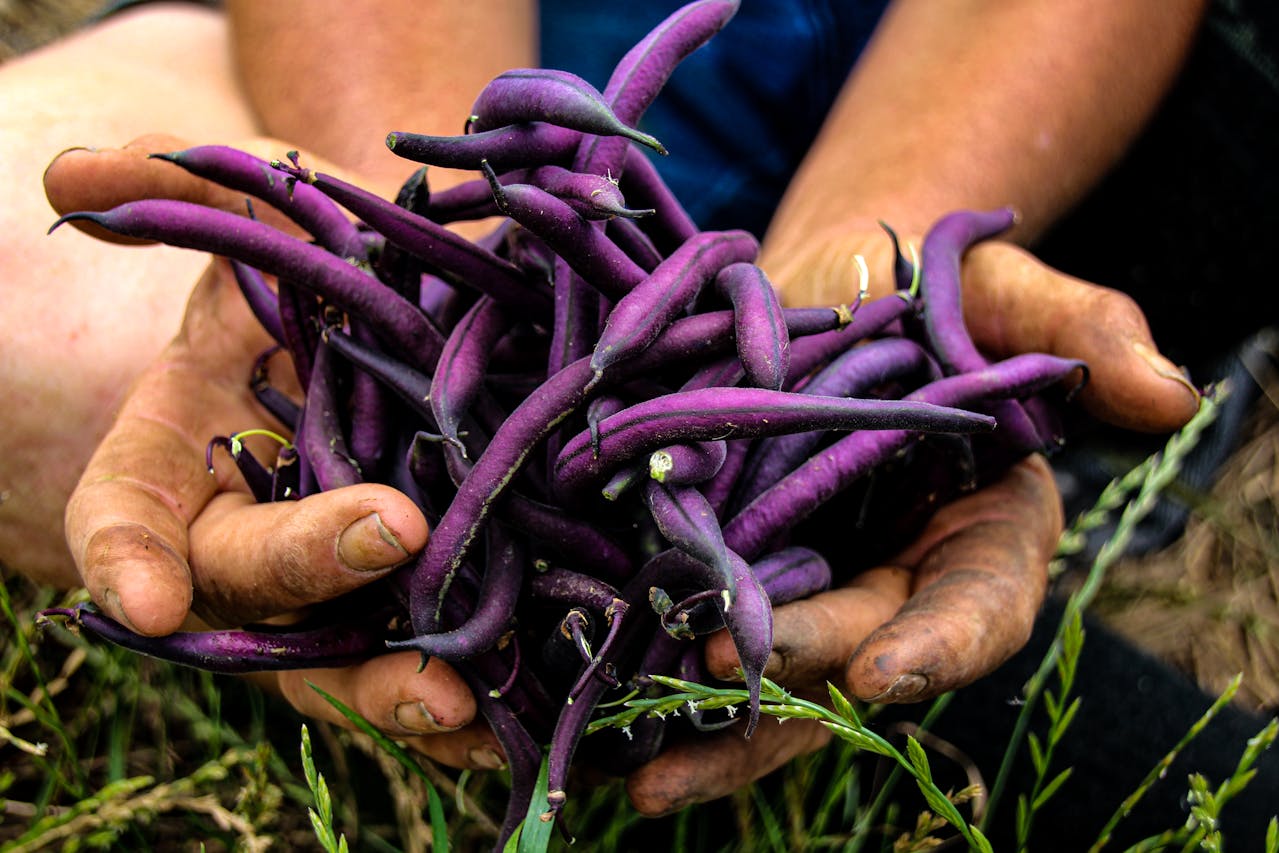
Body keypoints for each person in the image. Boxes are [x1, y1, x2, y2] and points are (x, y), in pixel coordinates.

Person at [0, 0, 1208, 819]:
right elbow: (452, 201)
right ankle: (676, 677)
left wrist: (873, 238)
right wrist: (463, 223)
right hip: (422, 49)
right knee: (27, 302)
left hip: (945, 80)